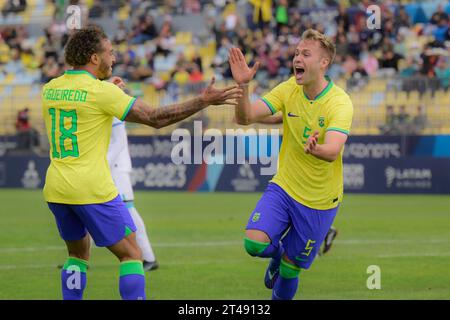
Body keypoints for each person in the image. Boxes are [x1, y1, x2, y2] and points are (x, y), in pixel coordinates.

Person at [41, 26, 242, 300]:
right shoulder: (102, 93)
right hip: (91, 187)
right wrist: (203, 100)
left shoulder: (50, 89)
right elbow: (156, 117)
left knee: (77, 254)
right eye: (110, 53)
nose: (114, 59)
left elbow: (83, 99)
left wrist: (104, 89)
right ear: (94, 58)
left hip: (57, 188)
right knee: (132, 254)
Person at [228, 29, 353, 300]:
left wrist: (317, 149)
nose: (298, 57)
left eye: (306, 54)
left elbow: (332, 151)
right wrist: (243, 86)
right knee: (254, 243)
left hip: (320, 201)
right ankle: (282, 251)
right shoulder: (288, 89)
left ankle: (285, 260)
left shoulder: (339, 102)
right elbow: (245, 117)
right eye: (297, 52)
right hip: (284, 187)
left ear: (323, 63)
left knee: (289, 270)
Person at [256, 113, 339, 256]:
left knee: (300, 213)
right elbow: (276, 118)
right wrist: (247, 114)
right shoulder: (295, 101)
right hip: (292, 175)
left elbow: (333, 148)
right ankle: (324, 231)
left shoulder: (328, 107)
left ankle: (321, 231)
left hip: (313, 178)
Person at [108, 115, 159, 272]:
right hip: (103, 166)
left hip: (115, 168)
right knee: (86, 205)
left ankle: (149, 257)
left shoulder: (111, 104)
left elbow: (120, 140)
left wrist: (104, 163)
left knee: (128, 211)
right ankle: (80, 257)